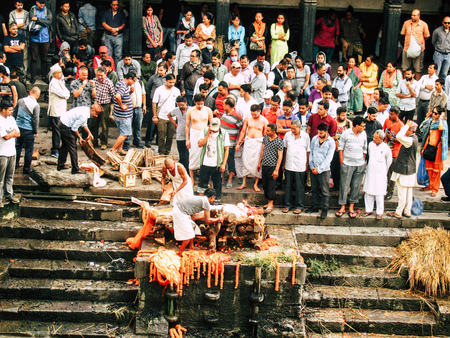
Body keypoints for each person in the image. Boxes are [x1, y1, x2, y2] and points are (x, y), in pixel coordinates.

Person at [172, 188, 222, 255]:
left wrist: (205, 216)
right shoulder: (206, 202)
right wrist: (218, 219)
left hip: (179, 210)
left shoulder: (201, 199)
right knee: (189, 235)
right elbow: (208, 220)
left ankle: (191, 247)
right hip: (180, 212)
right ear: (212, 197)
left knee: (193, 226)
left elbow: (193, 217)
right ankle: (179, 253)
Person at [336, 115, 367, 219]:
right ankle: (342, 206)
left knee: (356, 186)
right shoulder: (346, 133)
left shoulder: (364, 134)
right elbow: (340, 148)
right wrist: (342, 161)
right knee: (344, 185)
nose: (364, 128)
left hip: (359, 164)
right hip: (347, 163)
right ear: (356, 125)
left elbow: (364, 149)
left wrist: (362, 161)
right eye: (362, 126)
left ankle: (351, 207)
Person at [388, 121, 418, 218]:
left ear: (410, 131)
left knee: (402, 193)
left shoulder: (409, 140)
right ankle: (407, 211)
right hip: (410, 168)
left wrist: (405, 126)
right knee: (409, 192)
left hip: (404, 169)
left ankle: (399, 211)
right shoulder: (414, 138)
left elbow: (399, 136)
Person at [236, 104, 267, 191]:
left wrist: (264, 147)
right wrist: (239, 143)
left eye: (255, 114)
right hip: (248, 141)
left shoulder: (264, 120)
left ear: (259, 111)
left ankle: (256, 184)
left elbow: (265, 135)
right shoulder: (248, 118)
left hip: (258, 143)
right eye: (252, 114)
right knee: (245, 161)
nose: (254, 116)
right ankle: (244, 182)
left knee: (257, 163)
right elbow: (243, 131)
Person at [58, 105, 98, 174]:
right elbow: (74, 128)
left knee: (65, 145)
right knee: (73, 146)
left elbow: (84, 124)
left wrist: (89, 133)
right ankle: (75, 168)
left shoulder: (86, 111)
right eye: (96, 113)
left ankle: (60, 164)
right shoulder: (84, 115)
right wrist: (80, 138)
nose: (96, 116)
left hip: (63, 123)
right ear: (92, 110)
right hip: (65, 126)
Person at [281, 119, 310, 214]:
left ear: (299, 127)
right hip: (289, 164)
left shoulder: (305, 136)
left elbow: (308, 151)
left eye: (294, 129)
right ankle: (287, 205)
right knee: (288, 186)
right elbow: (285, 149)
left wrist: (307, 164)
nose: (292, 130)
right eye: (291, 128)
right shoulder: (287, 135)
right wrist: (284, 162)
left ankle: (299, 206)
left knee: (299, 187)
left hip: (300, 164)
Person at [197, 118, 230, 201]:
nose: (214, 131)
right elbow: (200, 144)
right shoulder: (204, 131)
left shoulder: (224, 134)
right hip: (205, 163)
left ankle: (216, 202)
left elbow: (226, 150)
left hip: (217, 164)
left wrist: (223, 164)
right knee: (202, 185)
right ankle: (201, 202)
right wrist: (207, 136)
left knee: (217, 185)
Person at [362, 130, 392, 219]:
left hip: (381, 172)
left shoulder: (386, 148)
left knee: (379, 193)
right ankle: (368, 210)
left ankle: (379, 212)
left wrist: (384, 170)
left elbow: (389, 161)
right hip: (371, 171)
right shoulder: (371, 145)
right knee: (369, 191)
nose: (374, 139)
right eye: (373, 137)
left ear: (381, 139)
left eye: (376, 138)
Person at [419, 106, 448, 197]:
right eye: (433, 112)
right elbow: (421, 128)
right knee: (429, 169)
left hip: (437, 149)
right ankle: (429, 185)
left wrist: (441, 119)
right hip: (429, 147)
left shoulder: (443, 123)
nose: (433, 114)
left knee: (436, 170)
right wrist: (427, 117)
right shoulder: (430, 121)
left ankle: (435, 188)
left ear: (439, 114)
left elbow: (441, 128)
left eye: (435, 113)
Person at [308, 123, 335, 219]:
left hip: (324, 170)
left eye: (321, 132)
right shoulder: (315, 139)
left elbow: (329, 158)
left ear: (326, 132)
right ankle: (314, 206)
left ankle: (324, 209)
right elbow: (311, 152)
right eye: (318, 132)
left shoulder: (331, 142)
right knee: (314, 189)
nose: (319, 134)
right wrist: (311, 166)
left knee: (324, 190)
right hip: (313, 167)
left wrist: (319, 169)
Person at [186, 93, 213, 183]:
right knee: (192, 156)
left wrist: (210, 135)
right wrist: (187, 139)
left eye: (202, 103)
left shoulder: (208, 110)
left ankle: (203, 179)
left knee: (205, 156)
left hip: (205, 134)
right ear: (195, 102)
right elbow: (187, 126)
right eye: (198, 104)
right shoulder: (190, 110)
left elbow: (212, 124)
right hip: (194, 134)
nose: (200, 106)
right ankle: (192, 179)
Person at [258, 123, 283, 214]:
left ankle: (270, 203)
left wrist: (276, 169)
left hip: (272, 166)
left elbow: (280, 156)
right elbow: (262, 150)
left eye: (268, 131)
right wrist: (259, 162)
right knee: (265, 185)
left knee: (271, 185)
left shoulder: (279, 141)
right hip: (265, 164)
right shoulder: (265, 138)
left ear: (273, 131)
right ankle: (267, 201)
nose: (266, 132)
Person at [14, 87, 40, 174]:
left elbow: (15, 113)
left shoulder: (20, 101)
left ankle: (15, 164)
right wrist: (35, 131)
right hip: (28, 129)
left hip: (18, 128)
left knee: (18, 147)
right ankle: (26, 169)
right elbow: (35, 120)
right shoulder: (36, 105)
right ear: (37, 95)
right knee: (29, 150)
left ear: (30, 92)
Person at [152, 74, 180, 155]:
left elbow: (178, 104)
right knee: (161, 136)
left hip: (172, 117)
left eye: (173, 82)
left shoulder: (176, 90)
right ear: (166, 81)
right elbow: (154, 103)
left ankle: (167, 152)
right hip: (162, 116)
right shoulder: (159, 90)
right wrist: (155, 116)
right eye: (170, 82)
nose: (172, 84)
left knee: (170, 137)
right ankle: (161, 152)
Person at [220, 96, 243, 189]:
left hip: (230, 142)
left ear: (228, 106)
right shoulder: (224, 113)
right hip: (221, 141)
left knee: (230, 161)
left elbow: (241, 129)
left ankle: (230, 179)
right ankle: (222, 178)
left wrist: (238, 142)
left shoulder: (238, 116)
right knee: (221, 160)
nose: (222, 106)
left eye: (224, 104)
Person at [0, 101, 20, 207]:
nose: (12, 112)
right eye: (10, 110)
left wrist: (10, 134)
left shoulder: (12, 119)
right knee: (1, 178)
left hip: (12, 151)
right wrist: (12, 133)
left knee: (10, 176)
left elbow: (18, 133)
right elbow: (5, 136)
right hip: (2, 153)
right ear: (3, 110)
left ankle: (9, 194)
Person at [401, 9, 430, 80]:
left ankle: (417, 84)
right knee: (405, 68)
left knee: (418, 69)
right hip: (407, 48)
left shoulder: (423, 24)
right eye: (412, 15)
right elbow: (403, 34)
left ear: (419, 16)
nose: (412, 17)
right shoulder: (406, 23)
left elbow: (426, 36)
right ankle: (405, 83)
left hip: (419, 50)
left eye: (414, 15)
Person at [47, 65, 69, 158]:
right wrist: (65, 95)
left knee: (59, 129)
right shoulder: (53, 83)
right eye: (59, 72)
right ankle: (55, 149)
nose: (61, 74)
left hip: (61, 110)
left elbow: (67, 93)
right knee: (56, 130)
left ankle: (59, 148)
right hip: (56, 110)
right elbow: (64, 94)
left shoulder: (60, 82)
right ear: (54, 74)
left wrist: (65, 95)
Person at [111, 72, 136, 155]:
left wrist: (130, 93)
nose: (133, 83)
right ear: (129, 79)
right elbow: (118, 96)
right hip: (123, 115)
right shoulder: (123, 85)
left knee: (122, 132)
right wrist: (122, 106)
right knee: (125, 134)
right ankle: (113, 150)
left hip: (120, 114)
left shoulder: (121, 82)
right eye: (133, 81)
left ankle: (120, 149)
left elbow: (122, 95)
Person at [91, 66, 115, 150]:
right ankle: (94, 141)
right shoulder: (94, 81)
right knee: (94, 124)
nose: (100, 77)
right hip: (96, 104)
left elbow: (113, 95)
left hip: (105, 105)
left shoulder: (109, 82)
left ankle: (104, 142)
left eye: (102, 75)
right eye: (99, 75)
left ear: (105, 74)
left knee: (104, 125)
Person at [384, 106, 404, 200]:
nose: (390, 115)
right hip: (385, 149)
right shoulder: (387, 121)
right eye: (389, 113)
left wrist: (392, 138)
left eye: (392, 114)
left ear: (397, 114)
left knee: (391, 172)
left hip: (395, 151)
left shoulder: (401, 125)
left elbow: (402, 140)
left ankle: (390, 190)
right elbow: (383, 131)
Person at [29, 0, 52, 84]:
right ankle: (33, 76)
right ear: (36, 2)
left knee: (44, 59)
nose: (42, 5)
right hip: (34, 38)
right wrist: (43, 21)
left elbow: (49, 22)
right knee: (34, 58)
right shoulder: (32, 10)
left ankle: (44, 76)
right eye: (40, 3)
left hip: (45, 38)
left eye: (43, 3)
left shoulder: (48, 11)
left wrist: (38, 19)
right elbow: (32, 20)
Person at [330, 107, 352, 194]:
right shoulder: (333, 122)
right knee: (334, 168)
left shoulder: (349, 123)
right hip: (335, 148)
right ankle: (336, 186)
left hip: (345, 149)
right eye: (343, 115)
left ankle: (344, 187)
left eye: (345, 115)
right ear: (338, 115)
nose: (344, 117)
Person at [123, 75, 146, 150]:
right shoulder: (126, 84)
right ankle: (126, 143)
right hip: (129, 108)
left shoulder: (140, 82)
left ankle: (137, 141)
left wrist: (144, 105)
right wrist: (130, 91)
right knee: (127, 126)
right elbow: (123, 96)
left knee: (138, 126)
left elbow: (143, 94)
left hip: (138, 107)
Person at [168, 96, 190, 171]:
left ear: (186, 103)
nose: (181, 107)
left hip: (189, 135)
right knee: (182, 155)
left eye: (182, 105)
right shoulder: (176, 110)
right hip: (179, 134)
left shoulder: (191, 110)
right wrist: (175, 124)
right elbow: (169, 115)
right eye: (179, 105)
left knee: (187, 155)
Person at [102, 0, 126, 67]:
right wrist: (111, 29)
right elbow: (103, 23)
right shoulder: (107, 13)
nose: (115, 6)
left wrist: (117, 29)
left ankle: (117, 71)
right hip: (108, 35)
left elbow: (124, 24)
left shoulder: (121, 13)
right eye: (114, 5)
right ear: (111, 5)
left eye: (117, 5)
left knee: (118, 55)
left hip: (118, 36)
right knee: (108, 54)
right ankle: (109, 69)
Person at [9, 1, 29, 73]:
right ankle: (15, 72)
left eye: (21, 5)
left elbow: (27, 26)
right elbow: (11, 25)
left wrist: (16, 26)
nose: (20, 7)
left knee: (25, 56)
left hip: (24, 36)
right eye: (18, 5)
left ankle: (24, 72)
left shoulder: (26, 13)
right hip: (14, 37)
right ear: (15, 5)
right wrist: (22, 25)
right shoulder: (12, 13)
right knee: (15, 54)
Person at [417, 64, 438, 129]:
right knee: (419, 119)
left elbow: (431, 90)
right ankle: (419, 136)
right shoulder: (424, 77)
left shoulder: (436, 79)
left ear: (435, 70)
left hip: (428, 102)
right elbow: (418, 85)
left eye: (431, 68)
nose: (429, 69)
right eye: (429, 67)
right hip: (421, 100)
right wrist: (426, 86)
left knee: (427, 120)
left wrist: (423, 86)